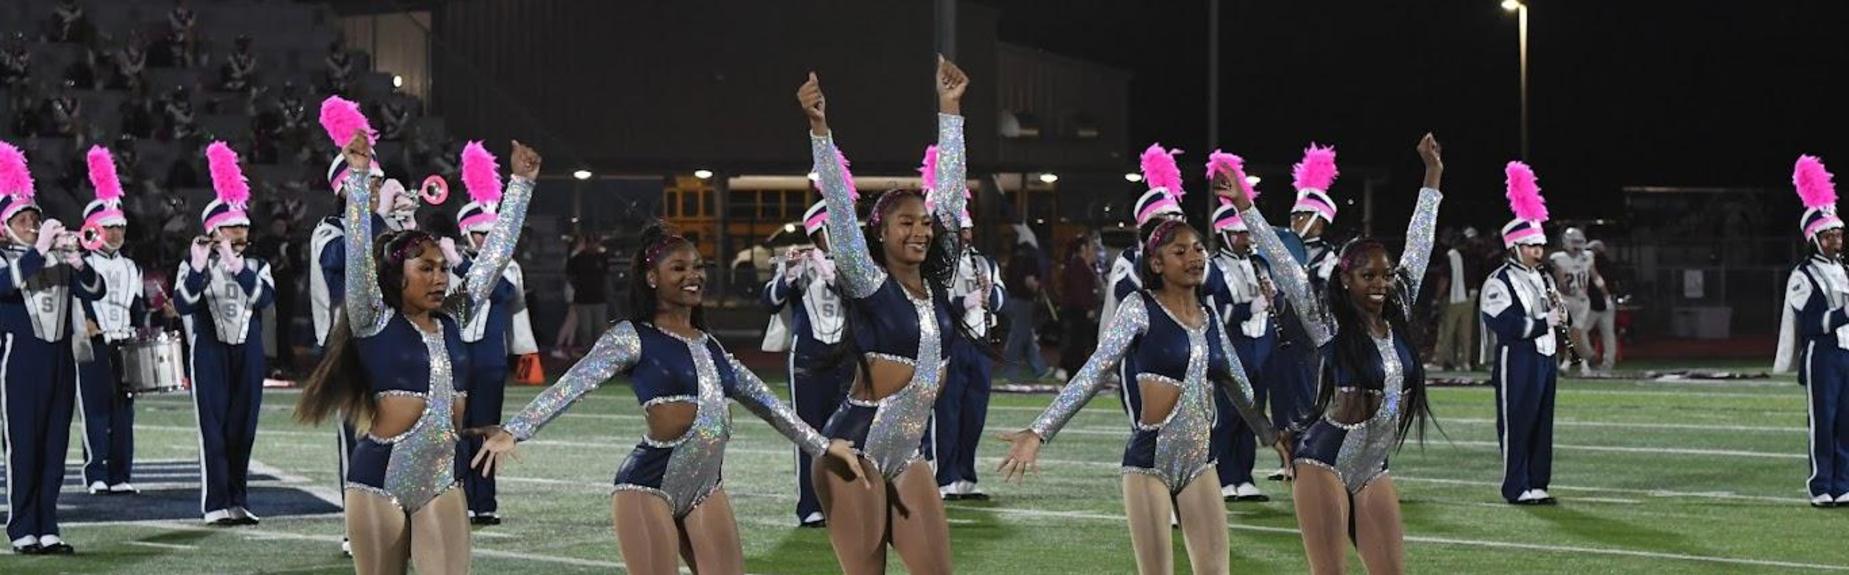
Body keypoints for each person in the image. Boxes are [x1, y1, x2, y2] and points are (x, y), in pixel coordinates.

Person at [474, 224, 862, 574]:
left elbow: (767, 402)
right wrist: (516, 430)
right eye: (678, 268)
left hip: (707, 488)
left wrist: (823, 446)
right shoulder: (631, 337)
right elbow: (571, 385)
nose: (693, 276)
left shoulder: (709, 344)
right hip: (647, 487)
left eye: (698, 267)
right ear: (651, 277)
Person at [295, 135, 537, 574]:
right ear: (394, 274)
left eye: (442, 268)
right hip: (378, 481)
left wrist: (521, 186)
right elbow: (357, 256)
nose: (439, 277)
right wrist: (357, 178)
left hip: (443, 480)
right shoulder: (373, 319)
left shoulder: (452, 318)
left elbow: (493, 259)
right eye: (425, 268)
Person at [999, 217, 1281, 575]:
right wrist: (1040, 431)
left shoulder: (1210, 317)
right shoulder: (1139, 307)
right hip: (1149, 464)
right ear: (1156, 263)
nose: (1194, 257)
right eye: (1180, 251)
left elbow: (1239, 385)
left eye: (1198, 248)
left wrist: (1272, 436)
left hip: (1201, 463)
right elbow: (1095, 371)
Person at [1229, 134, 1444, 573]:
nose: (1381, 283)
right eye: (1369, 276)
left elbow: (1419, 245)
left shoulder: (1398, 311)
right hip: (1322, 462)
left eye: (1386, 275)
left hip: (1373, 466)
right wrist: (1244, 206)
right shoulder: (1326, 320)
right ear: (1347, 280)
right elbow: (1285, 266)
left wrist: (1433, 176)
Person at [788, 57, 969, 574]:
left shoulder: (936, 284)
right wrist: (819, 130)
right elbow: (842, 215)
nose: (920, 230)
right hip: (854, 453)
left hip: (907, 455)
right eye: (904, 223)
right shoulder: (870, 284)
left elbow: (950, 201)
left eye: (923, 223)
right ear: (882, 234)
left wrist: (950, 111)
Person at [2, 141, 102, 555]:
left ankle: (48, 524)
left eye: (34, 220)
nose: (31, 226)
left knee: (54, 446)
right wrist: (39, 249)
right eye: (23, 221)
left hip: (60, 360)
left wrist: (77, 260)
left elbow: (97, 289)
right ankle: (22, 525)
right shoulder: (7, 258)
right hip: (20, 361)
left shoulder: (59, 256)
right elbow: (4, 285)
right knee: (25, 445)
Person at [307, 97, 393, 555]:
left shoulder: (387, 225)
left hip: (388, 343)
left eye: (377, 182)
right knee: (355, 441)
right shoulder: (328, 230)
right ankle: (353, 527)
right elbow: (345, 260)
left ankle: (391, 520)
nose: (378, 188)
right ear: (347, 187)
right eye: (368, 182)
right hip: (349, 346)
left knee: (394, 435)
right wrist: (380, 219)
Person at [177, 142, 276, 526]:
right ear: (215, 229)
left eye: (245, 226)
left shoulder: (257, 264)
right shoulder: (193, 261)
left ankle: (238, 499)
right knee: (213, 429)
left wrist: (238, 267)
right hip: (210, 350)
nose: (241, 232)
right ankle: (215, 502)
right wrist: (202, 268)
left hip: (247, 349)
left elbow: (265, 298)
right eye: (234, 226)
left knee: (242, 427)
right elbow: (183, 303)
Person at [450, 143, 536, 526]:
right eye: (479, 234)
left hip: (488, 358)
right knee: (453, 430)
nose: (486, 241)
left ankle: (484, 500)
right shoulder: (448, 265)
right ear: (466, 234)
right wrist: (455, 263)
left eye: (491, 234)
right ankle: (456, 497)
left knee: (487, 428)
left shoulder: (507, 267)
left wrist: (478, 266)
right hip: (454, 355)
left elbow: (504, 294)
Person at [761, 199, 853, 527]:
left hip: (845, 358)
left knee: (845, 433)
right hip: (807, 361)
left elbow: (858, 296)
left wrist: (830, 271)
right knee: (808, 434)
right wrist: (788, 275)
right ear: (819, 231)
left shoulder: (854, 262)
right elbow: (770, 301)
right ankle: (810, 506)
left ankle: (842, 502)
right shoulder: (801, 262)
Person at [1482, 161, 1564, 506]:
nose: (1537, 251)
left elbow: (1552, 316)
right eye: (1530, 245)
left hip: (1544, 356)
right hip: (1516, 358)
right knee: (1517, 422)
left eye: (1539, 245)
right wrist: (1547, 320)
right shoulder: (1499, 280)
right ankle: (1516, 486)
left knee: (1542, 421)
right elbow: (1505, 324)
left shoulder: (1541, 277)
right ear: (1515, 246)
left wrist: (1560, 315)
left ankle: (1537, 482)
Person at [1203, 152, 1279, 503]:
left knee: (1252, 415)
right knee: (1227, 416)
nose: (1247, 238)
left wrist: (1272, 299)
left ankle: (1244, 476)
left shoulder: (1259, 263)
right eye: (1239, 233)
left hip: (1259, 349)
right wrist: (1252, 305)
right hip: (1231, 348)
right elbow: (1218, 312)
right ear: (1224, 234)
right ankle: (1223, 476)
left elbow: (1272, 304)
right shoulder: (1213, 268)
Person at [1775, 154, 1849, 508]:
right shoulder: (1803, 275)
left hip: (1847, 353)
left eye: (1839, 233)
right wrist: (1845, 312)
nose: (1838, 240)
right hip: (1823, 355)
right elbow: (1811, 323)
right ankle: (1821, 485)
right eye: (1831, 235)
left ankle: (1844, 482)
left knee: (1846, 422)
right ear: (1815, 238)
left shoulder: (1843, 270)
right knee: (1824, 421)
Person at [76, 146, 144, 496]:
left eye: (119, 227)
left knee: (123, 413)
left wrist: (143, 327)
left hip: (125, 344)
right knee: (95, 411)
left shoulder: (131, 266)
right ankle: (96, 472)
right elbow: (77, 301)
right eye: (109, 228)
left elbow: (137, 306)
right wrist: (86, 321)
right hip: (95, 346)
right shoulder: (82, 263)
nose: (116, 234)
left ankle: (121, 473)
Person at [931, 199, 1004, 501]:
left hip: (980, 343)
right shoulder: (937, 264)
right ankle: (944, 477)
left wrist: (988, 295)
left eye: (969, 230)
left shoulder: (985, 262)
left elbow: (1002, 299)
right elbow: (936, 304)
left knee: (974, 414)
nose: (966, 237)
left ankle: (965, 476)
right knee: (948, 412)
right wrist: (965, 301)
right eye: (961, 231)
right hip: (954, 343)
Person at [1550, 227, 1614, 374]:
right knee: (1559, 332)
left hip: (1582, 301)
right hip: (1564, 299)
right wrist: (1566, 288)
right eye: (1574, 242)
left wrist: (1606, 295)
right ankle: (1575, 362)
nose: (1577, 246)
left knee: (1576, 332)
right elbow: (1560, 280)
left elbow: (1595, 277)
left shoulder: (1588, 256)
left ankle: (1568, 363)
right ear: (1566, 242)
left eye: (1579, 242)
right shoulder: (1559, 258)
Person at [1431, 228, 1479, 371]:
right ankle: (1464, 362)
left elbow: (1444, 280)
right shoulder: (1473, 256)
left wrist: (1437, 298)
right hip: (1469, 299)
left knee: (1446, 331)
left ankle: (1439, 362)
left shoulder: (1451, 256)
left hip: (1453, 298)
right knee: (1465, 333)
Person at [1056, 233, 1101, 377]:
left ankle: (1072, 370)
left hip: (1079, 310)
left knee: (1079, 343)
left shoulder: (1085, 265)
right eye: (1091, 247)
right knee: (1076, 343)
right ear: (1083, 248)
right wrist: (1088, 307)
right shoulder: (1078, 266)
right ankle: (1072, 372)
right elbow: (1079, 289)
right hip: (1077, 311)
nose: (1093, 251)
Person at [565, 232, 611, 356]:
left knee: (599, 329)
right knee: (585, 330)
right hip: (582, 299)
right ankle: (588, 354)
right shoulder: (577, 259)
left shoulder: (602, 258)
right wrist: (578, 287)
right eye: (590, 243)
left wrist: (607, 293)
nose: (593, 245)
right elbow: (569, 276)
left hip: (599, 299)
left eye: (595, 242)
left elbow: (606, 277)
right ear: (586, 244)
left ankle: (600, 355)